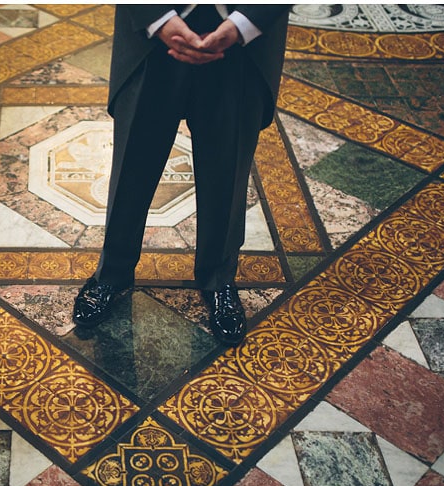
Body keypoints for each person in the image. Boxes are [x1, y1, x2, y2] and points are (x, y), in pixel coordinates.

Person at [73, 5, 290, 347]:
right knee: (133, 162)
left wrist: (243, 23)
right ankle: (112, 271)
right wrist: (157, 17)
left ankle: (218, 277)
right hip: (151, 33)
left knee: (227, 166)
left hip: (245, 36)